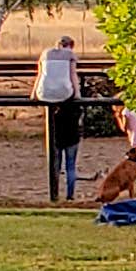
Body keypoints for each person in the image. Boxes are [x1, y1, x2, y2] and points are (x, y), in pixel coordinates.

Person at [36, 36, 82, 202]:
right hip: (72, 136)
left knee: (55, 164)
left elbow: (40, 74)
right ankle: (70, 195)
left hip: (56, 135)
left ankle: (54, 194)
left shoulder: (45, 54)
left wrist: (35, 92)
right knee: (71, 166)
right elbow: (73, 75)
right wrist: (77, 94)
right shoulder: (69, 56)